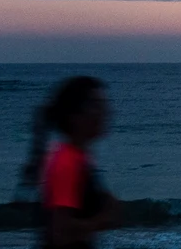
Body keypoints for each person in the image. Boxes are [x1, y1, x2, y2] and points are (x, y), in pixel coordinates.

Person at [38, 76, 123, 249]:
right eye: (96, 105)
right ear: (73, 116)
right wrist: (102, 217)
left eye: (104, 105)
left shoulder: (79, 159)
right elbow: (60, 233)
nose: (104, 112)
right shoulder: (67, 162)